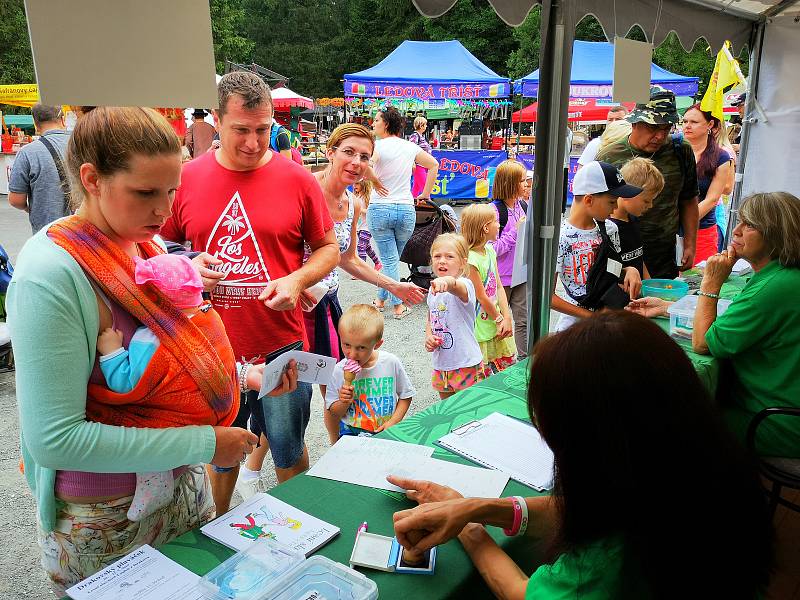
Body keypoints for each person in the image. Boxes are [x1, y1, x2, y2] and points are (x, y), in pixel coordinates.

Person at [6, 106, 266, 595]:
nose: (163, 211)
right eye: (145, 192)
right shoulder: (51, 273)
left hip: (180, 490)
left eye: (171, 191)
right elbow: (55, 440)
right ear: (92, 179)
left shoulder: (146, 249)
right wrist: (207, 444)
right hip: (105, 516)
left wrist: (241, 374)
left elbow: (164, 355)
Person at [389, 311, 772, 600]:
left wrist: (471, 532)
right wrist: (475, 508)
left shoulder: (609, 559)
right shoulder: (699, 463)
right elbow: (584, 509)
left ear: (593, 441)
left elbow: (522, 592)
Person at [159, 71, 339, 510]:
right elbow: (154, 248)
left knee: (288, 449)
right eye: (241, 130)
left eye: (264, 130)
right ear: (216, 121)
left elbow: (328, 249)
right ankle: (220, 527)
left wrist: (296, 280)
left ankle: (298, 533)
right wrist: (184, 265)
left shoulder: (297, 180)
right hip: (210, 348)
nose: (255, 143)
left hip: (283, 345)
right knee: (220, 455)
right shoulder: (185, 178)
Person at [628, 192, 800, 458]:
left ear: (777, 235)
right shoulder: (783, 276)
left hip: (775, 422)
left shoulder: (772, 287)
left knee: (667, 421)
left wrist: (711, 283)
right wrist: (668, 307)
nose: (737, 230)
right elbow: (738, 319)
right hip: (783, 407)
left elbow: (703, 343)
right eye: (740, 221)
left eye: (750, 225)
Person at [300, 123, 426, 445]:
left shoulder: (353, 204)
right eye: (349, 152)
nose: (357, 162)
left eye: (365, 157)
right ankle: (254, 467)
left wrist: (394, 285)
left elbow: (349, 259)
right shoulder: (304, 191)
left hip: (327, 303)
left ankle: (336, 448)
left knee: (335, 384)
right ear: (330, 153)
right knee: (293, 392)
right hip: (294, 310)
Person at [95, 253, 235, 522]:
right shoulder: (208, 320)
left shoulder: (149, 338)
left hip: (173, 415)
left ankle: (153, 483)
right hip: (206, 410)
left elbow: (125, 383)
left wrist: (111, 351)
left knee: (150, 427)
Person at [597, 87, 700, 278]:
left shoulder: (680, 150)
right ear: (635, 122)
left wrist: (690, 244)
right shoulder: (610, 155)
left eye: (666, 128)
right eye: (653, 127)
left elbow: (689, 199)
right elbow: (594, 208)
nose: (660, 136)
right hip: (622, 255)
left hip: (665, 257)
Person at [552, 161, 643, 331]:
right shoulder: (560, 238)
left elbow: (610, 270)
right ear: (588, 200)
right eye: (611, 202)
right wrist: (594, 318)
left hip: (608, 322)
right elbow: (548, 297)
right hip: (574, 329)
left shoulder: (610, 229)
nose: (616, 207)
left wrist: (629, 270)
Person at [369, 107, 439, 319]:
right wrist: (425, 194)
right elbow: (434, 164)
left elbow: (366, 166)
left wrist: (375, 181)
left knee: (389, 259)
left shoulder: (377, 146)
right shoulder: (410, 147)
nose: (373, 124)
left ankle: (397, 305)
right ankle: (381, 299)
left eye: (376, 120)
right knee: (392, 258)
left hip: (381, 207)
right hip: (406, 209)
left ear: (386, 124)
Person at [325, 304, 416, 437]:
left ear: (377, 344)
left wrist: (394, 422)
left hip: (385, 431)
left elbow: (406, 396)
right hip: (351, 433)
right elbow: (334, 411)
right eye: (347, 345)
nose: (352, 354)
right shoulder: (338, 370)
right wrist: (343, 401)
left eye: (361, 347)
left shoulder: (390, 362)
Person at [425, 233, 484, 399]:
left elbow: (455, 286)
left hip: (465, 363)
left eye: (449, 256)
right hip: (441, 363)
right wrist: (429, 336)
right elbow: (430, 318)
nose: (442, 260)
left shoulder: (465, 285)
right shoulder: (433, 289)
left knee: (468, 410)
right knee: (448, 411)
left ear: (462, 263)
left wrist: (447, 282)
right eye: (437, 256)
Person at [461, 204, 515, 376]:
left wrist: (506, 317)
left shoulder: (490, 250)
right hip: (480, 329)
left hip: (496, 322)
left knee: (506, 371)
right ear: (485, 227)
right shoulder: (470, 259)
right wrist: (500, 319)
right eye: (496, 222)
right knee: (481, 377)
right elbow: (481, 297)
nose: (499, 225)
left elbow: (499, 286)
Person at [681, 104, 733, 264]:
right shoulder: (673, 150)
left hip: (701, 230)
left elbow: (712, 199)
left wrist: (684, 221)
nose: (687, 126)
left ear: (710, 125)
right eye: (684, 121)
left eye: (694, 122)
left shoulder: (721, 156)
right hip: (666, 229)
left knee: (697, 280)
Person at [8, 104, 71, 233]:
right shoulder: (82, 143)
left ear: (36, 124)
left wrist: (29, 207)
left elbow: (16, 200)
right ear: (63, 119)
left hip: (47, 232)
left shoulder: (27, 152)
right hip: (83, 230)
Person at [490, 159, 529, 358]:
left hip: (520, 275)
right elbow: (491, 249)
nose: (525, 184)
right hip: (500, 280)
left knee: (523, 321)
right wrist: (515, 231)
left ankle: (523, 360)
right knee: (498, 322)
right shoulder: (495, 211)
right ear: (510, 184)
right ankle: (498, 361)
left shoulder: (522, 205)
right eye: (521, 181)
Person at [610, 157, 665, 279]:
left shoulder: (633, 220)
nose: (650, 206)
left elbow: (638, 256)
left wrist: (648, 282)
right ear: (627, 193)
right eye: (646, 201)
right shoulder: (609, 228)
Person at [352, 180, 382, 272]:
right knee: (367, 247)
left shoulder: (367, 197)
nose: (354, 185)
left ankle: (362, 271)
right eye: (354, 183)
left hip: (368, 226)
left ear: (364, 184)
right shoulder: (357, 197)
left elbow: (372, 212)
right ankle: (377, 263)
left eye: (357, 183)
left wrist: (360, 209)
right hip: (360, 226)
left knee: (361, 246)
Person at [408, 116, 432, 198]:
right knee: (425, 187)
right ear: (421, 125)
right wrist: (413, 162)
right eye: (425, 125)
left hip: (422, 165)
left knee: (416, 188)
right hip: (419, 165)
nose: (426, 126)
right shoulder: (415, 136)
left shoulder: (420, 136)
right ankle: (430, 205)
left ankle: (411, 203)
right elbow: (411, 150)